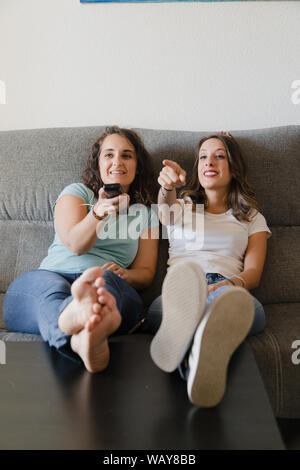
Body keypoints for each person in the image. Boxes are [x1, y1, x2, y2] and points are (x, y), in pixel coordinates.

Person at [3, 126, 159, 373]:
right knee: (50, 292)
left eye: (127, 155)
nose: (117, 161)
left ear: (137, 166)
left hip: (105, 279)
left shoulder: (147, 214)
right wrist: (98, 213)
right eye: (108, 154)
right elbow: (76, 245)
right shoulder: (76, 193)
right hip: (48, 277)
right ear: (97, 163)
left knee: (104, 285)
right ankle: (80, 324)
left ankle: (81, 322)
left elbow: (147, 272)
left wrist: (126, 275)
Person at [149, 132, 271, 408]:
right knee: (168, 308)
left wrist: (227, 286)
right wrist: (168, 188)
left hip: (229, 291)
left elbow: (253, 272)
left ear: (234, 167)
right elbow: (164, 211)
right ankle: (205, 349)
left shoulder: (252, 217)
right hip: (182, 290)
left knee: (253, 313)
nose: (209, 162)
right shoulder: (182, 206)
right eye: (203, 156)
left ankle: (192, 350)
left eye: (219, 155)